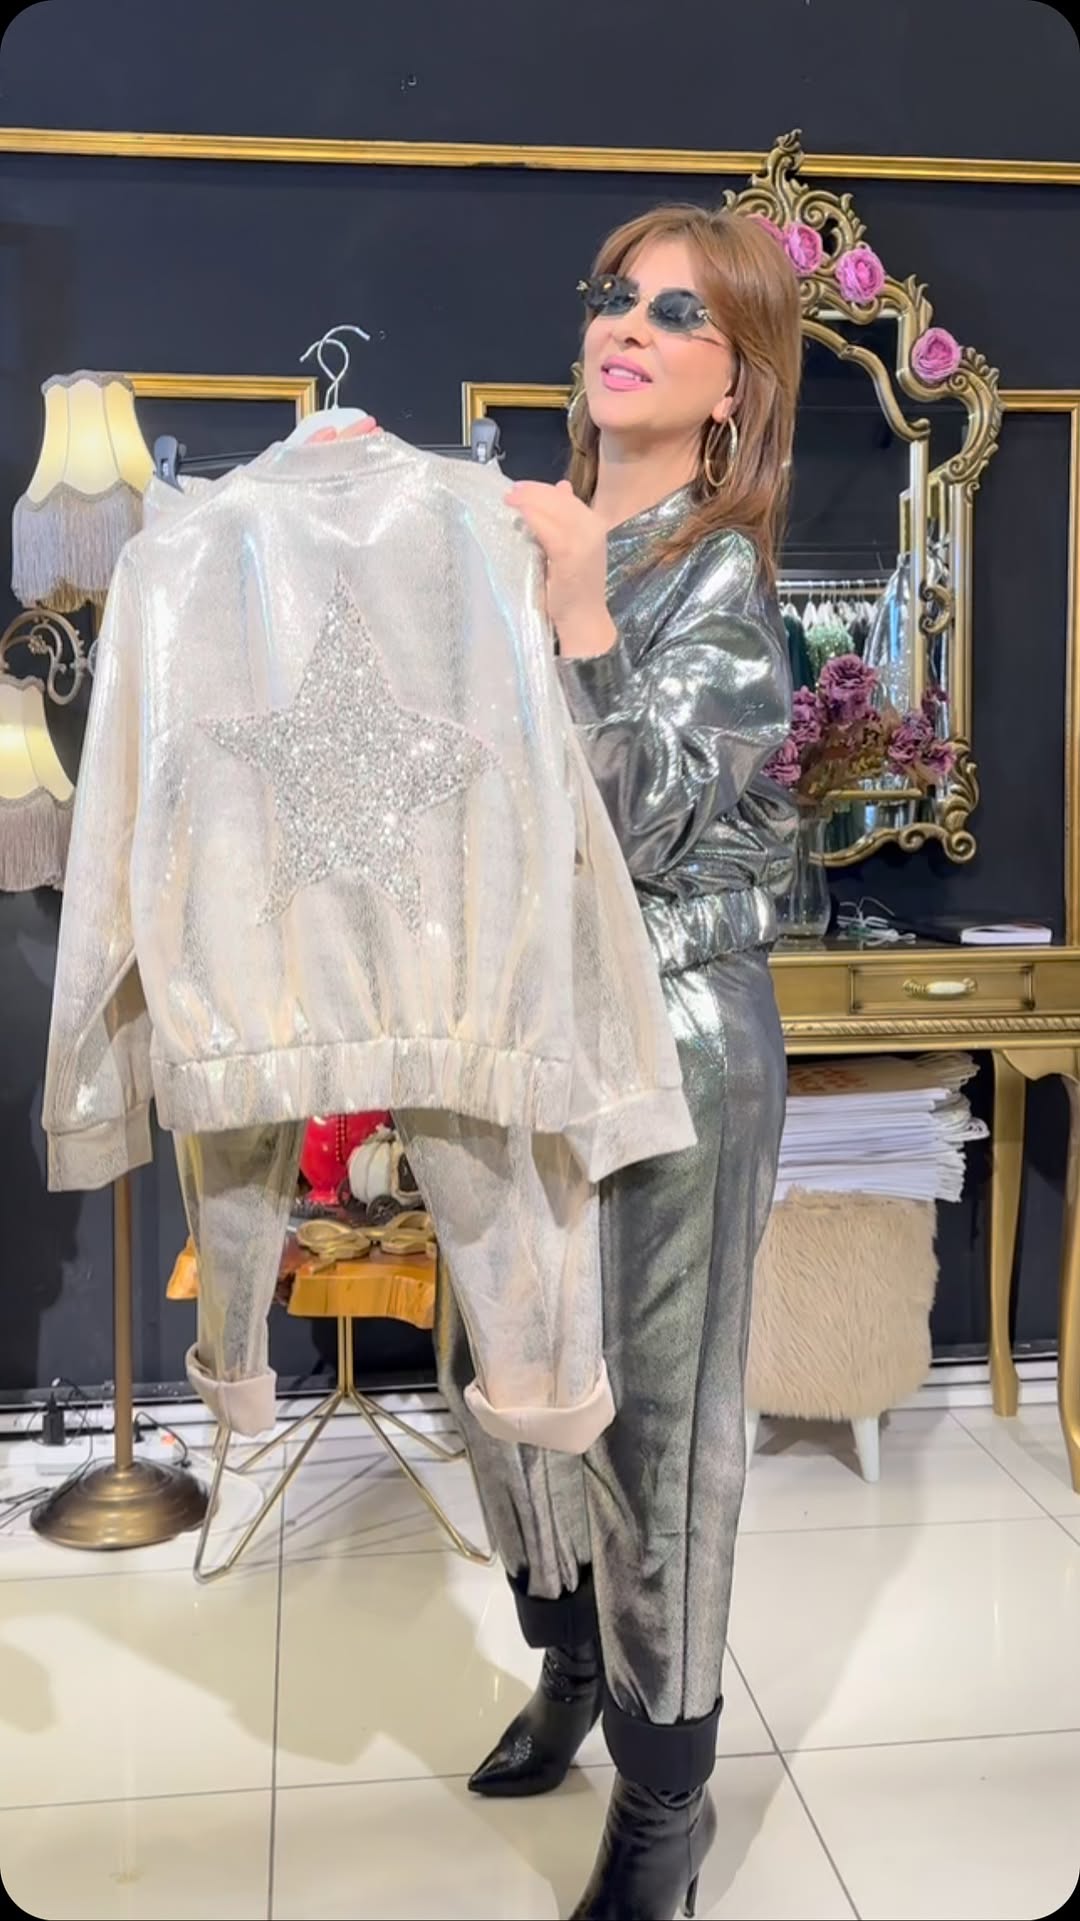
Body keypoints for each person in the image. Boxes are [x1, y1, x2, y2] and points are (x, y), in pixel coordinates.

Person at [437, 204, 802, 1920]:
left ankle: (667, 1797)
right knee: (508, 1374)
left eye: (677, 311)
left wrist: (581, 609)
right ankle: (571, 1659)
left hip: (677, 1035)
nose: (626, 326)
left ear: (735, 386)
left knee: (660, 1426)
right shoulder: (522, 538)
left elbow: (646, 823)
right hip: (526, 1030)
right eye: (613, 297)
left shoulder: (717, 578)